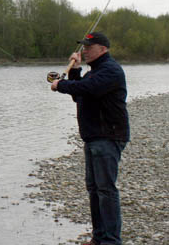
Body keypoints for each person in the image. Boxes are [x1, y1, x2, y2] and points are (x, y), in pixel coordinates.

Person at [50, 32, 130, 245]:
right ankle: (99, 238)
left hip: (108, 137)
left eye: (89, 47)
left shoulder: (110, 71)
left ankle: (111, 241)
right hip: (94, 137)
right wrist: (75, 71)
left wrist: (61, 84)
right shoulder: (93, 72)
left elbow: (88, 89)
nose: (84, 50)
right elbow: (80, 93)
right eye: (84, 47)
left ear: (103, 49)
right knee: (94, 189)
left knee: (105, 189)